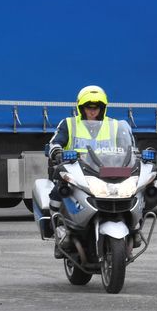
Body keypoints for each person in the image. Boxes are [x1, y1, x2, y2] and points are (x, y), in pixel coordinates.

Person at [45, 85, 126, 258]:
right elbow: (54, 142)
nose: (92, 111)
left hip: (106, 173)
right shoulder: (69, 124)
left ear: (102, 108)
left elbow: (128, 147)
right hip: (76, 173)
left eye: (96, 107)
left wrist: (134, 155)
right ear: (81, 107)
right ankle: (59, 233)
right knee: (57, 193)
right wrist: (57, 152)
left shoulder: (114, 126)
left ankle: (133, 228)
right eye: (89, 107)